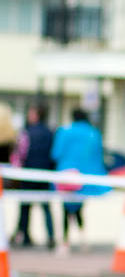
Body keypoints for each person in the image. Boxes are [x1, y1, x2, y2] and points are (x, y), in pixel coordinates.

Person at [51, 107, 106, 249]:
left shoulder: (64, 131)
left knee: (65, 208)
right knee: (80, 208)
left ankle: (64, 242)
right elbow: (98, 156)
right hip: (85, 178)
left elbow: (56, 153)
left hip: (66, 176)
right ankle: (83, 240)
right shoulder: (93, 133)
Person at [12, 102, 56, 249]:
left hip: (28, 172)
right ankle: (50, 236)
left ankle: (24, 235)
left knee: (25, 206)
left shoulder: (27, 132)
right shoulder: (50, 132)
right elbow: (54, 154)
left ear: (36, 115)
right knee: (46, 207)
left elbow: (20, 153)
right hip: (45, 173)